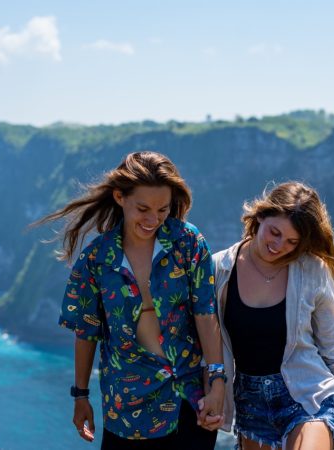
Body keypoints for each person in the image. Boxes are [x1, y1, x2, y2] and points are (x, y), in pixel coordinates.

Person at [31, 151, 226, 449]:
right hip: (128, 406)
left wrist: (217, 381)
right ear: (120, 197)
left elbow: (205, 312)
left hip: (189, 397)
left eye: (162, 209)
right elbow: (87, 331)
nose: (153, 219)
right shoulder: (96, 260)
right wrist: (80, 395)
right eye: (143, 208)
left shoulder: (188, 242)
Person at [213, 181, 334, 450]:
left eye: (292, 242)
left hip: (308, 394)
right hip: (250, 403)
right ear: (260, 216)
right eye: (274, 232)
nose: (279, 246)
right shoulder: (220, 268)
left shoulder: (311, 269)